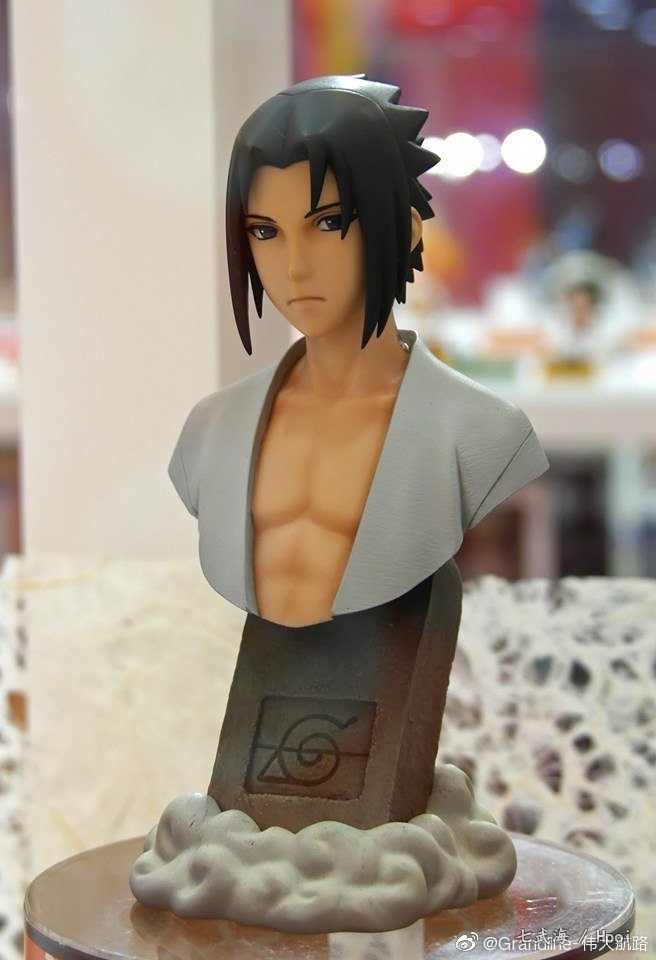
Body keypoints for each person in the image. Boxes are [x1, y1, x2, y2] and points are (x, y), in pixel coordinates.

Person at [132, 76, 548, 931]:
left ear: (402, 226)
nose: (294, 266)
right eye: (264, 230)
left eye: (329, 222)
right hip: (251, 817)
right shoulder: (212, 430)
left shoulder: (474, 431)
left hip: (380, 821)